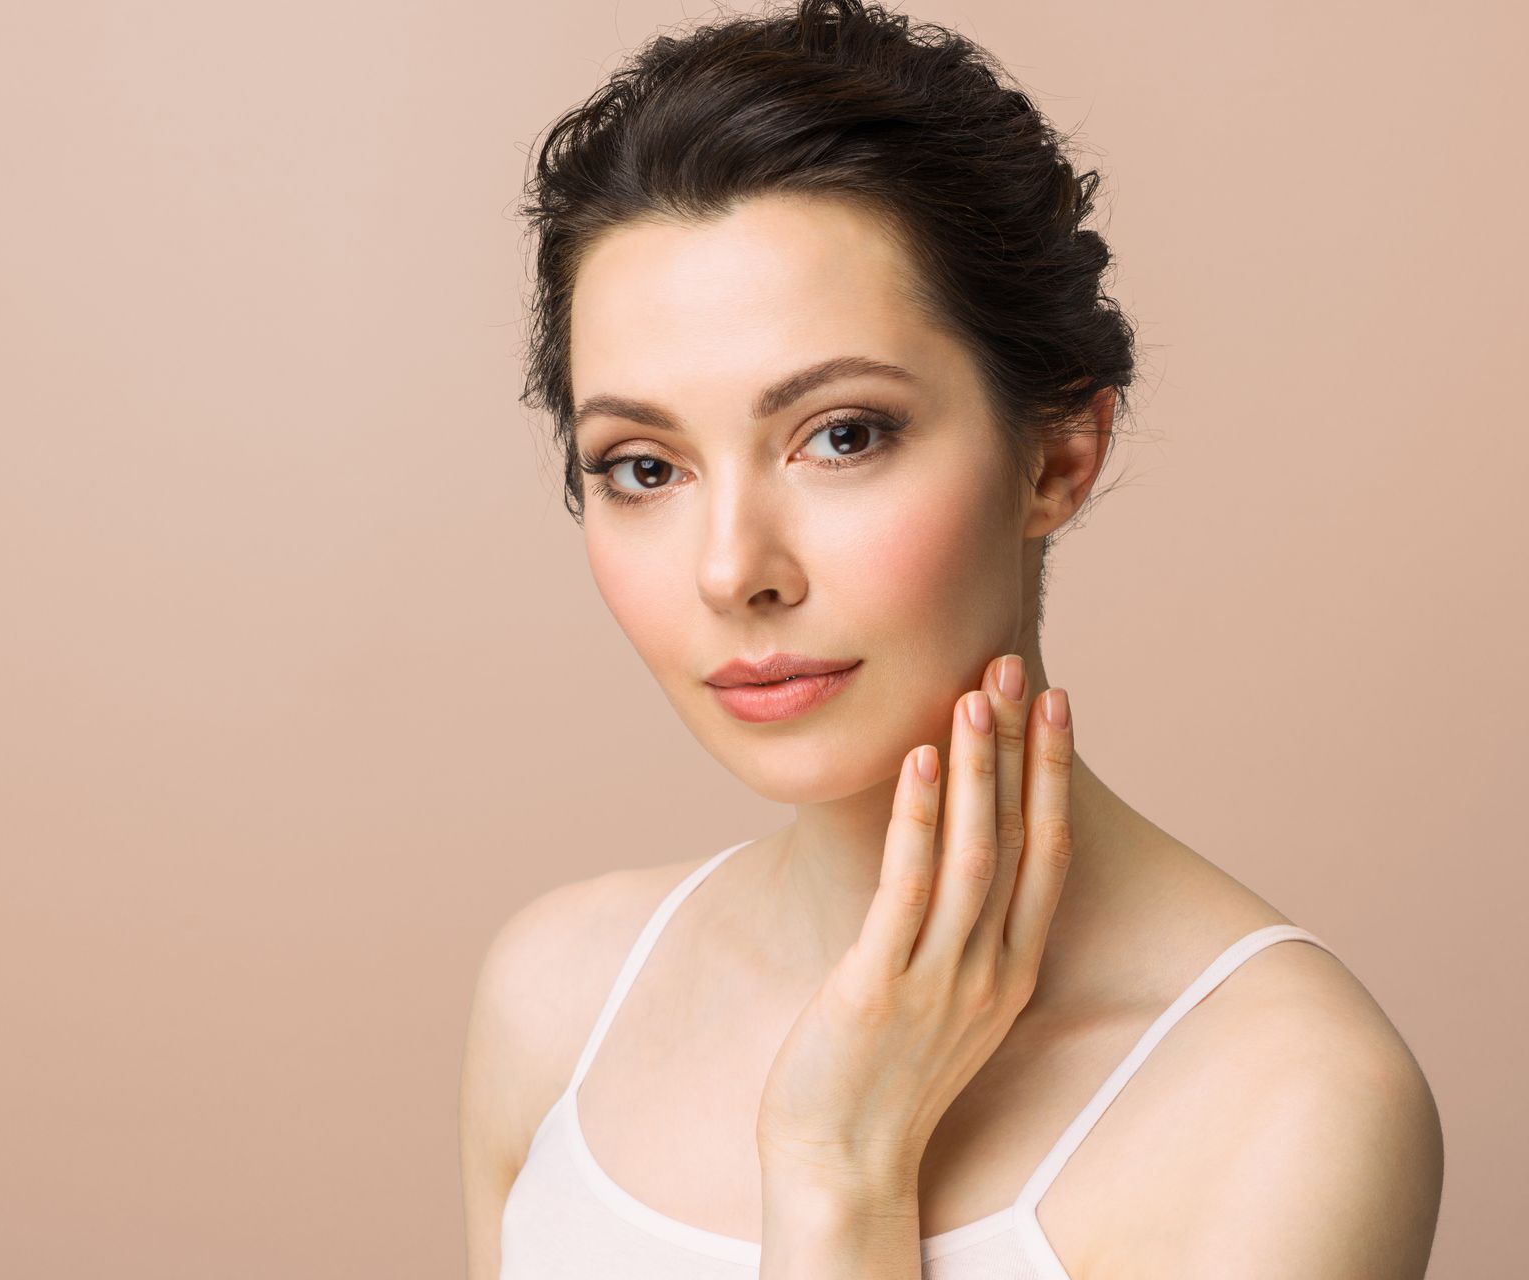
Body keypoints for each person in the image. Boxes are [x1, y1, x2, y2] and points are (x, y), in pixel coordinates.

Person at [459, 2, 1443, 1276]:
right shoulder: (556, 1000)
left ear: (1059, 456)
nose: (731, 569)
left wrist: (839, 1172)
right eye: (644, 465)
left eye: (843, 434)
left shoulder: (1286, 1104)